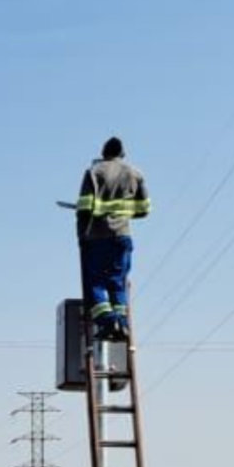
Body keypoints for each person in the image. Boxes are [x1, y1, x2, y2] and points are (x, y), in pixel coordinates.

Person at [76, 136, 151, 342]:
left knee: (96, 283)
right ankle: (121, 325)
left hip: (97, 237)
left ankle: (108, 321)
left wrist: (82, 236)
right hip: (122, 237)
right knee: (117, 282)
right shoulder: (136, 174)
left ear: (103, 153)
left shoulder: (94, 172)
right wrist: (123, 214)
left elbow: (84, 208)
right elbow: (144, 210)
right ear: (122, 154)